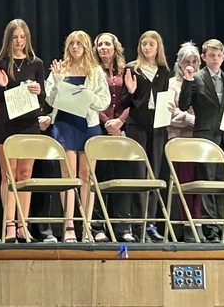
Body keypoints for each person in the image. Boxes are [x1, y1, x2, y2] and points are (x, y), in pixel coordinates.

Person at [178, 38, 224, 243]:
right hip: (205, 138)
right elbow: (183, 105)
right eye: (211, 55)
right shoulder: (196, 77)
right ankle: (210, 229)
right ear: (203, 57)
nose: (215, 59)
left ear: (223, 58)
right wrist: (188, 81)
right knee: (207, 184)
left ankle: (223, 226)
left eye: (218, 56)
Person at [44, 31, 110, 242]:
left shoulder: (95, 71)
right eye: (71, 43)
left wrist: (87, 94)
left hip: (88, 124)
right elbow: (51, 100)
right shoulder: (60, 68)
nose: (75, 47)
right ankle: (69, 225)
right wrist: (56, 81)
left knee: (86, 176)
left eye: (79, 44)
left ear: (86, 46)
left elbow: (104, 101)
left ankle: (87, 225)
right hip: (65, 124)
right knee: (69, 176)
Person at [0, 19, 49, 243]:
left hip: (29, 124)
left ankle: (23, 225)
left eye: (22, 37)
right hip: (6, 124)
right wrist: (2, 86)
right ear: (8, 39)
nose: (19, 42)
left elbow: (42, 99)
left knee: (25, 175)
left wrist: (38, 89)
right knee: (9, 175)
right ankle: (9, 226)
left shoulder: (36, 63)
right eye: (15, 37)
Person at [120, 30, 171, 242]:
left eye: (151, 44)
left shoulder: (164, 71)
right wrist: (131, 91)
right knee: (138, 174)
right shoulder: (132, 68)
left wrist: (171, 105)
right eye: (143, 44)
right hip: (136, 126)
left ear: (158, 47)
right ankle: (137, 224)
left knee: (153, 175)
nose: (147, 48)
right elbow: (123, 103)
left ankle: (150, 224)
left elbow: (167, 97)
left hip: (157, 127)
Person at [92, 32, 133, 242]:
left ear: (115, 47)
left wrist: (120, 122)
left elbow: (132, 98)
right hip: (100, 127)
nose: (104, 48)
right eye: (100, 45)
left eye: (107, 44)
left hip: (121, 129)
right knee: (100, 177)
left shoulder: (126, 70)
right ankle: (98, 226)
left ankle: (122, 227)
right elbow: (90, 98)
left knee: (122, 178)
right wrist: (107, 121)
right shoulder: (92, 70)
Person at [167, 41, 202, 242]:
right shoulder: (172, 84)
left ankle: (202, 225)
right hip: (180, 141)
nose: (191, 65)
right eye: (186, 61)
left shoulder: (202, 82)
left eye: (194, 61)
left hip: (201, 141)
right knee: (186, 185)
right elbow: (170, 115)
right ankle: (189, 225)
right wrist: (191, 119)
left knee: (201, 185)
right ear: (179, 64)